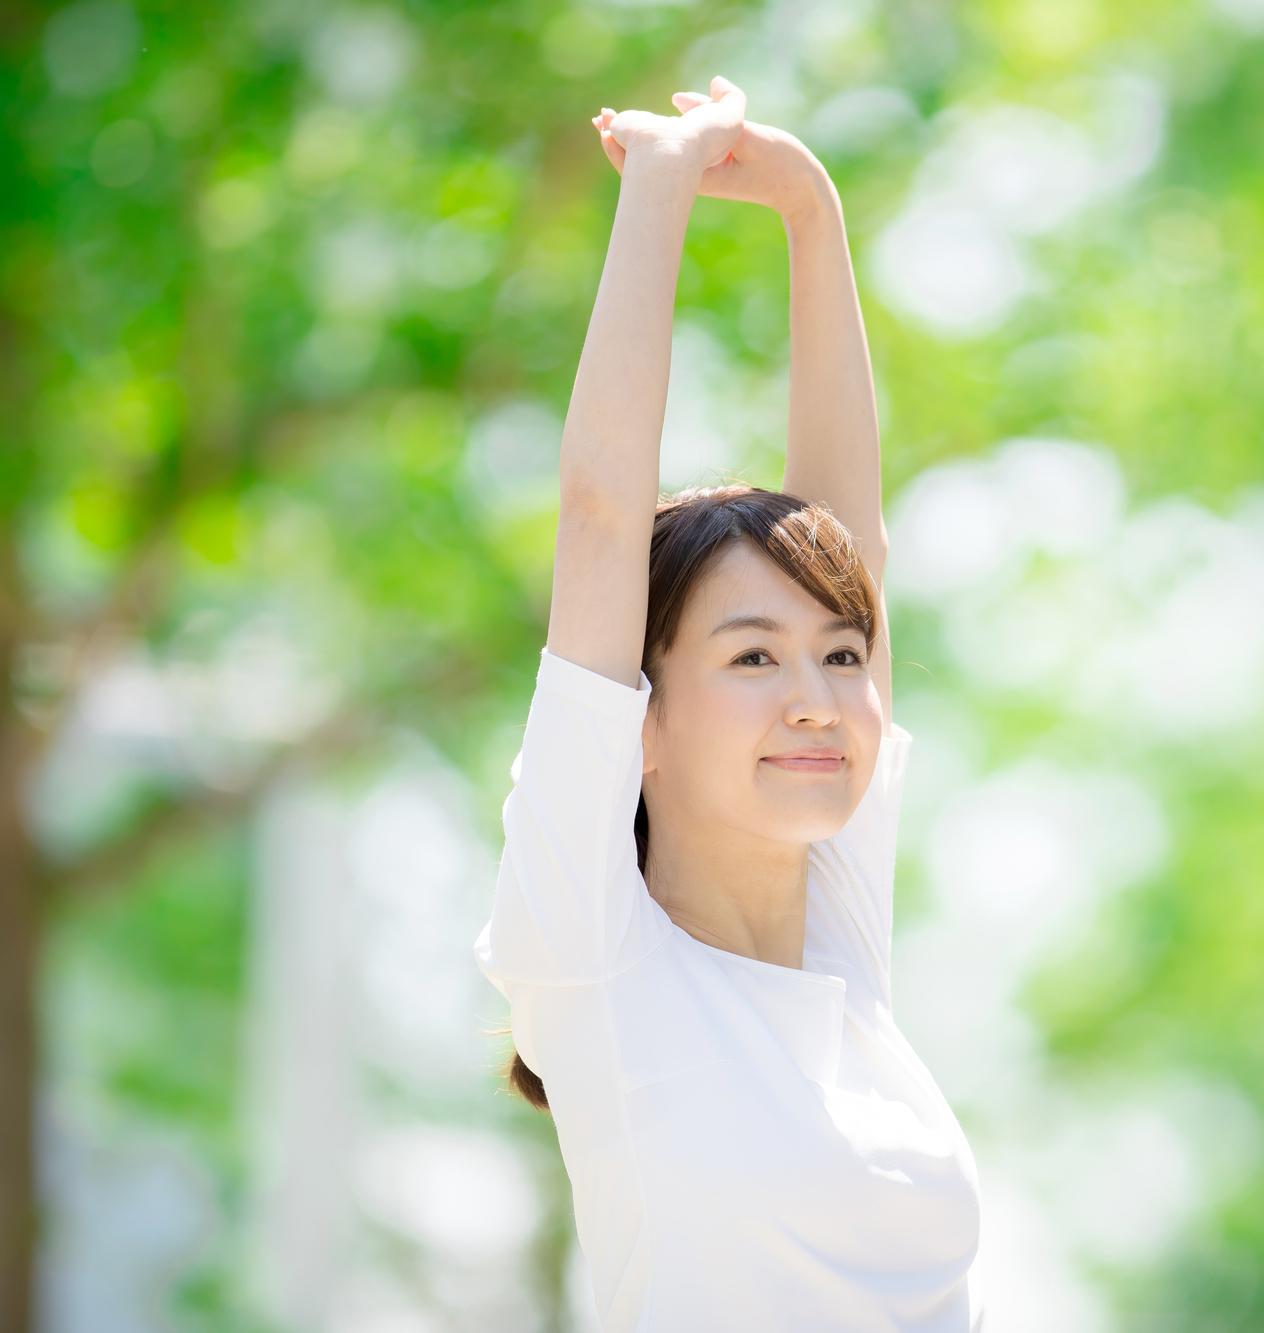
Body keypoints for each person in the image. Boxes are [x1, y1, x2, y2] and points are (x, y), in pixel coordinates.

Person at [473, 76, 983, 1330]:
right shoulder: (594, 958)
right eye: (751, 659)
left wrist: (813, 218)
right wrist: (657, 186)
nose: (815, 699)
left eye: (842, 659)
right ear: (637, 718)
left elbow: (844, 537)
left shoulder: (836, 943)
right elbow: (599, 517)